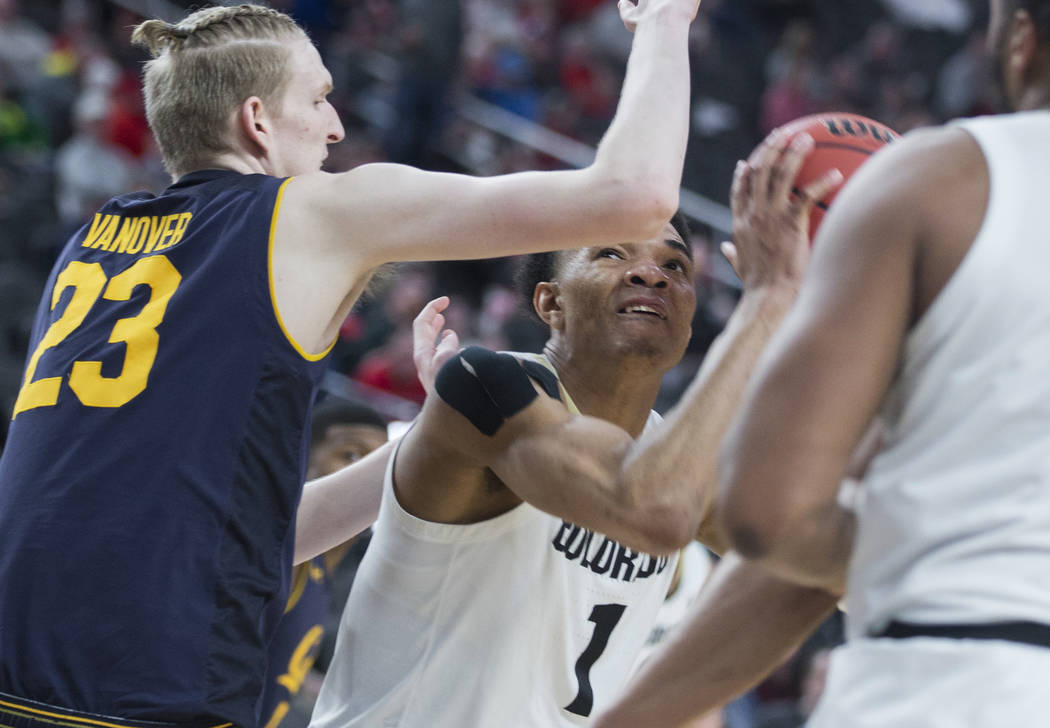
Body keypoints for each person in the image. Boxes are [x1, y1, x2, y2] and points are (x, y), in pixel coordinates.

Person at [0, 2, 703, 727]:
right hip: (150, 680)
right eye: (318, 98)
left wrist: (429, 440)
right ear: (257, 121)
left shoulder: (95, 240)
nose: (337, 126)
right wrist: (664, 23)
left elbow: (251, 535)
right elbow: (636, 198)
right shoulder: (309, 212)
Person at [309, 122, 844, 726]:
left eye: (675, 265)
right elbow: (651, 507)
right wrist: (769, 301)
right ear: (549, 303)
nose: (652, 275)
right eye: (612, 253)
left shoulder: (678, 454)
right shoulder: (487, 385)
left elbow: (821, 561)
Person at [606, 1, 1050, 725]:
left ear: (1023, 42)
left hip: (952, 678)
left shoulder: (942, 180)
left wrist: (777, 297)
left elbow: (768, 515)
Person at [261, 399, 389, 728]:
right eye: (352, 455)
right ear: (302, 459)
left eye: (379, 464)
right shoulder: (278, 550)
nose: (367, 475)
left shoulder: (326, 570)